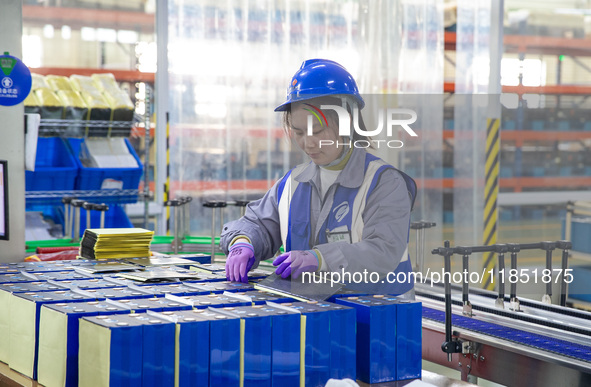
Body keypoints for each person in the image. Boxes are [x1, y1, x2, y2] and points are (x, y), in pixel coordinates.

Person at [220, 59, 416, 296]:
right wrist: (242, 242)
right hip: (314, 311)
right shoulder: (293, 183)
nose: (308, 143)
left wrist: (320, 259)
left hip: (381, 317)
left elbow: (382, 251)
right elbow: (257, 223)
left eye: (317, 130)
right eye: (299, 132)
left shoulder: (383, 183)